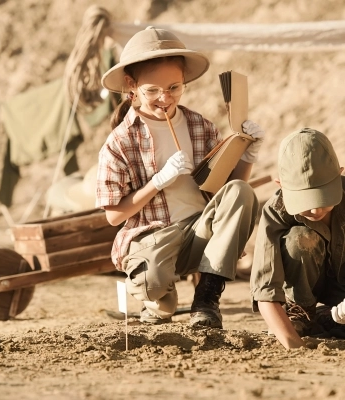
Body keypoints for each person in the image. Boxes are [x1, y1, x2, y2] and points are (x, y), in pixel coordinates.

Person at [96, 26, 264, 328]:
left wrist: (247, 154)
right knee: (154, 287)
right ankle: (159, 302)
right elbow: (113, 216)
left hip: (201, 231)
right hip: (152, 236)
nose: (165, 97)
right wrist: (158, 181)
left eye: (174, 87)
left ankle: (207, 298)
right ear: (131, 85)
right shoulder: (119, 142)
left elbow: (227, 190)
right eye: (153, 91)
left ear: (184, 80)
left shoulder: (200, 126)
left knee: (242, 191)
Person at [250, 128, 345, 349]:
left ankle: (328, 319)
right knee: (300, 238)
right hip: (304, 288)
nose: (314, 209)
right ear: (280, 185)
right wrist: (295, 347)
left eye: (323, 198)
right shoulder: (276, 210)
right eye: (304, 199)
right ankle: (302, 314)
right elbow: (265, 289)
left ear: (339, 174)